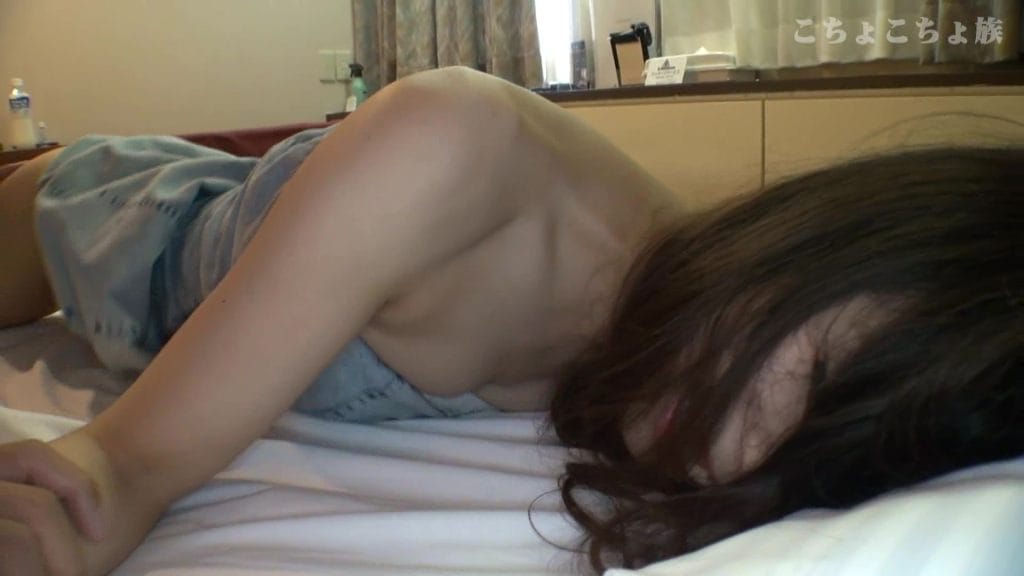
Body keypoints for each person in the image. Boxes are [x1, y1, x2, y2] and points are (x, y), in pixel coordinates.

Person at [0, 66, 1020, 575]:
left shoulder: (665, 344)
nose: (738, 454)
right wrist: (85, 502)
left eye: (819, 458)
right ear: (834, 239)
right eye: (822, 377)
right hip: (116, 226)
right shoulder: (458, 147)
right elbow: (113, 476)